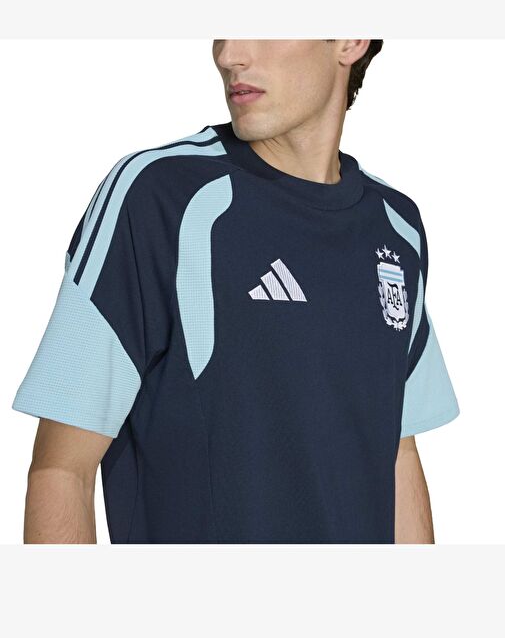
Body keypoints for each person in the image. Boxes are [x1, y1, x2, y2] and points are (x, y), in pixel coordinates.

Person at [11, 39, 460, 544]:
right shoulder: (162, 197)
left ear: (350, 40)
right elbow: (62, 470)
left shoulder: (396, 227)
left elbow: (396, 451)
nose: (228, 55)